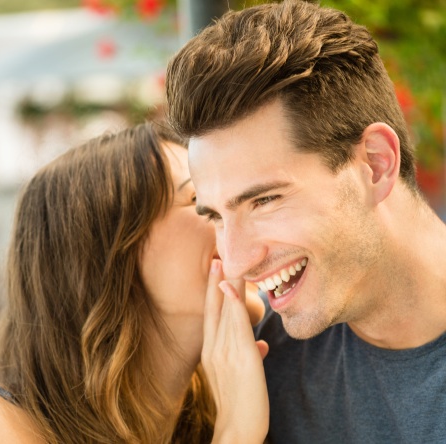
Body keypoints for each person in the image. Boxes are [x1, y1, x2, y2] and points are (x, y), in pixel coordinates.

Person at [165, 0, 446, 442]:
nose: (237, 262)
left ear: (375, 164)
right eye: (216, 216)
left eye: (264, 201)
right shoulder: (252, 375)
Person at [0, 122, 269, 443]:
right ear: (110, 255)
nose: (233, 215)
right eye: (199, 199)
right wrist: (236, 434)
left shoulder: (262, 367)